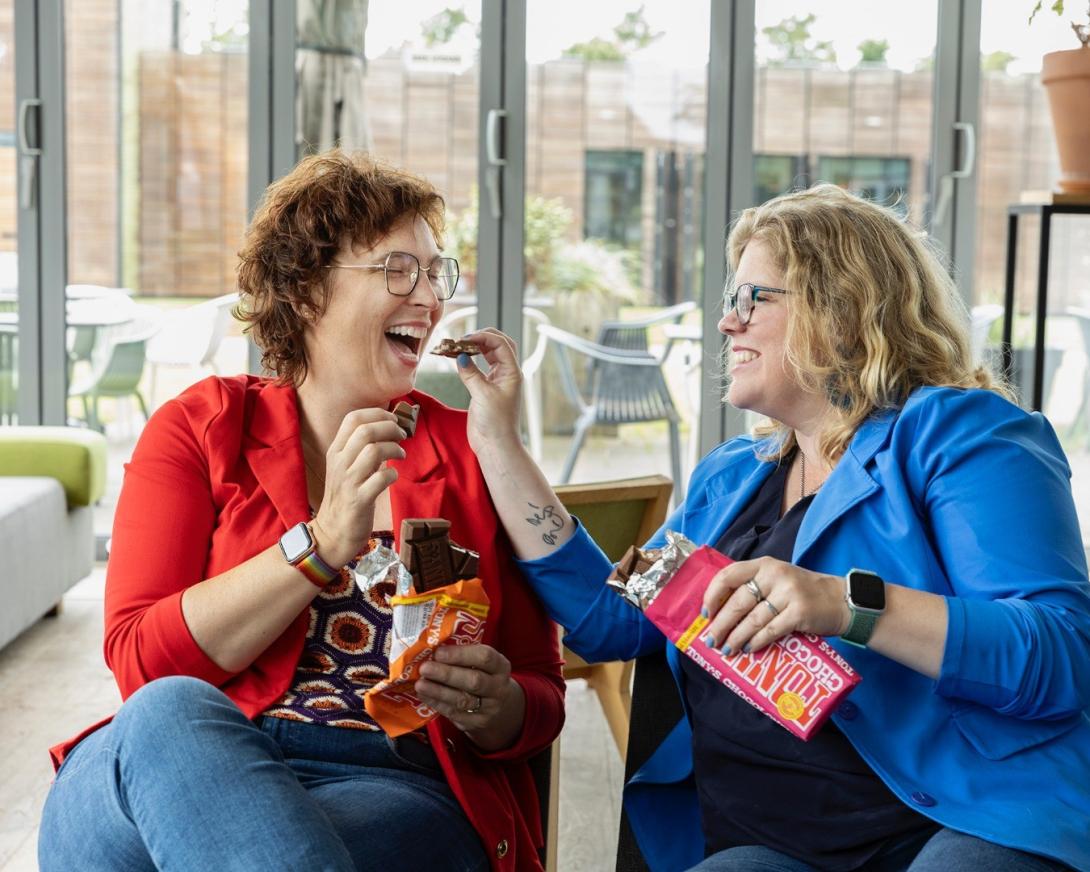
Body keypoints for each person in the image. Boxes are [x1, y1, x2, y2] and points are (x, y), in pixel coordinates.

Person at [452, 184, 1090, 872]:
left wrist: (843, 605)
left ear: (842, 309)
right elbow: (613, 620)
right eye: (731, 301)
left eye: (754, 299)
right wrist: (497, 439)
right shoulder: (731, 478)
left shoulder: (959, 434)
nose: (728, 324)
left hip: (953, 820)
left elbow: (1060, 654)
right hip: (771, 843)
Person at [38, 150, 565, 872]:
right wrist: (319, 543)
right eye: (397, 270)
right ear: (307, 292)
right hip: (169, 764)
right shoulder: (200, 427)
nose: (430, 297)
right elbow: (139, 663)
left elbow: (540, 692)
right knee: (167, 712)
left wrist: (493, 702)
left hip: (385, 783)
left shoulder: (474, 451)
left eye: (436, 272)